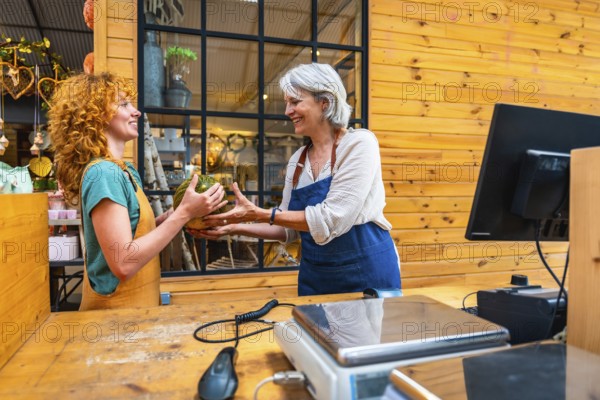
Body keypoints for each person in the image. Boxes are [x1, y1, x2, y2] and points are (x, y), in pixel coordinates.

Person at [192, 63, 401, 295]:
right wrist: (232, 227)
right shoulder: (297, 161)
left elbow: (333, 218)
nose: (287, 111)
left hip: (366, 275)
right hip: (317, 277)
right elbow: (288, 229)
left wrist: (258, 213)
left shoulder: (359, 144)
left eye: (295, 102)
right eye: (287, 103)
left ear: (325, 102)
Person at [48, 72, 227, 310]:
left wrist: (177, 215)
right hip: (114, 321)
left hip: (139, 310)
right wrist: (184, 213)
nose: (137, 111)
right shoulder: (103, 173)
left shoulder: (125, 170)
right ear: (96, 116)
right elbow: (123, 263)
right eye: (124, 104)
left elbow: (135, 233)